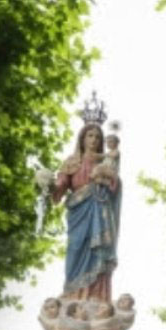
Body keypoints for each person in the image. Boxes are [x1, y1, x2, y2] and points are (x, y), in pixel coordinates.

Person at [51, 121, 121, 302]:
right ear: (82, 139)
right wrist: (49, 187)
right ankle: (72, 293)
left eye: (98, 137)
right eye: (90, 135)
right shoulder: (72, 162)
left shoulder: (105, 160)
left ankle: (97, 296)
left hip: (99, 207)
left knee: (98, 250)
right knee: (75, 248)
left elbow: (115, 186)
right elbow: (60, 185)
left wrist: (108, 178)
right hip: (78, 211)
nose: (94, 140)